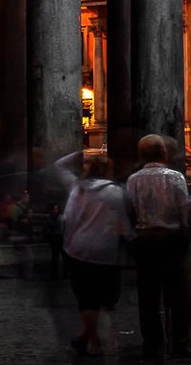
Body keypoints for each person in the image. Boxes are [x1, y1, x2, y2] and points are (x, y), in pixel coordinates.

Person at [126, 135, 191, 359]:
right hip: (172, 239)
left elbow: (131, 210)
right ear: (163, 153)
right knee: (178, 295)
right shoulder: (175, 178)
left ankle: (152, 343)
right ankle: (180, 342)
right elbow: (184, 211)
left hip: (145, 240)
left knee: (148, 296)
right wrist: (186, 235)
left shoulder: (133, 180)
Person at [60, 152, 130, 358]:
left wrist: (68, 243)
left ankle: (92, 341)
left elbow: (69, 218)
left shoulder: (79, 189)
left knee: (86, 298)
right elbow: (123, 225)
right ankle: (94, 338)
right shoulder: (117, 193)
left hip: (80, 248)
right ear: (108, 170)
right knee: (106, 298)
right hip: (107, 250)